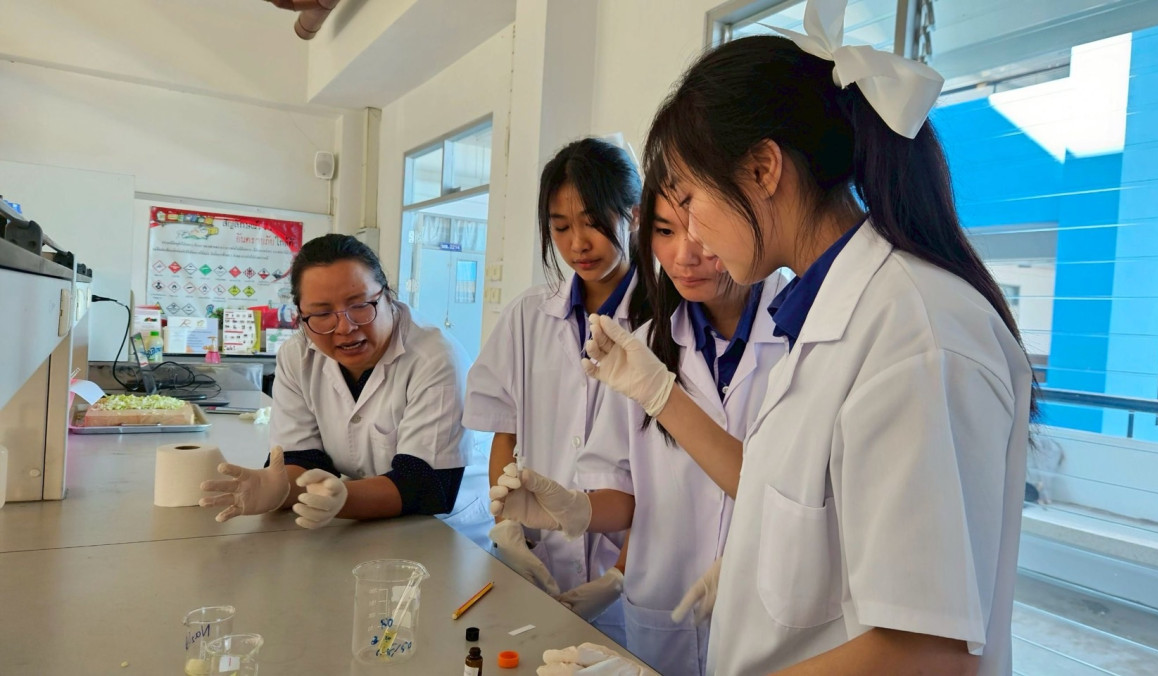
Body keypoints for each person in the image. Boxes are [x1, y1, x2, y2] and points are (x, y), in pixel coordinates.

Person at [578, 1, 1035, 673]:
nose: (692, 238)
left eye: (692, 202)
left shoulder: (913, 332)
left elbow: (928, 651)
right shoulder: (827, 318)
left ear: (763, 169)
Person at [490, 159, 789, 676]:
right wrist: (575, 510)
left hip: (772, 614)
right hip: (661, 615)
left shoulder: (802, 335)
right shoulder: (647, 343)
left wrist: (757, 551)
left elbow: (816, 494)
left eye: (705, 230)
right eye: (665, 232)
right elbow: (625, 493)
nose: (684, 255)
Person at [463, 138, 647, 642]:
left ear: (633, 216)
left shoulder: (664, 320)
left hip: (633, 568)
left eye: (592, 222)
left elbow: (670, 478)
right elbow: (505, 430)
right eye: (560, 227)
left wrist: (619, 575)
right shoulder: (528, 315)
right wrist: (507, 526)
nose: (577, 244)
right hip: (539, 555)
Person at [200, 234, 485, 534]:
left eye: (360, 305)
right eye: (322, 314)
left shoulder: (435, 358)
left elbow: (427, 484)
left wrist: (343, 498)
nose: (346, 328)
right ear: (300, 316)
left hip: (447, 529)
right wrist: (280, 487)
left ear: (388, 295)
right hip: (364, 523)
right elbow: (302, 458)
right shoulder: (297, 356)